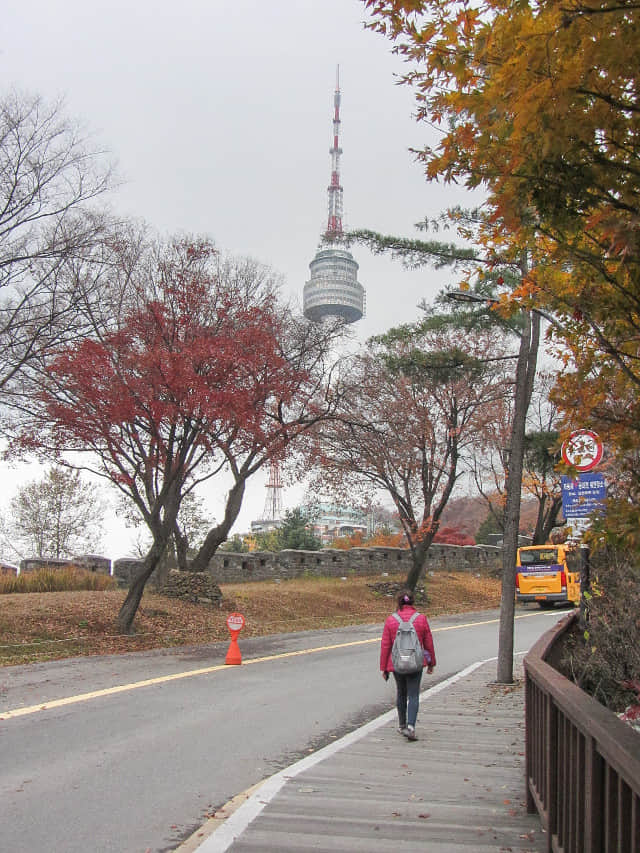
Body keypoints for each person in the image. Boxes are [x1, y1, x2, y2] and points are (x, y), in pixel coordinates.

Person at [380, 587, 436, 741]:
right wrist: (431, 662)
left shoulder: (391, 620)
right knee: (413, 694)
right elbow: (428, 643)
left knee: (401, 693)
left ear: (398, 602)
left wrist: (384, 668)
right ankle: (411, 726)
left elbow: (385, 645)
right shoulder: (421, 619)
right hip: (415, 663)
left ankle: (402, 725)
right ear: (412, 601)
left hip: (397, 664)